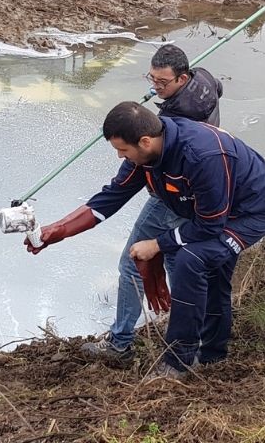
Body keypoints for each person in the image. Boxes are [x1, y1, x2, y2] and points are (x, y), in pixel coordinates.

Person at [27, 101, 265, 376]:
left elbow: (210, 225)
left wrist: (159, 245)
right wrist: (57, 231)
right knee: (206, 270)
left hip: (248, 213)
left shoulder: (201, 155)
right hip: (195, 207)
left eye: (122, 150)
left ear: (144, 142)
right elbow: (112, 197)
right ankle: (212, 355)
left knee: (192, 261)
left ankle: (179, 361)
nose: (119, 157)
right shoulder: (146, 156)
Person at [52, 44, 225, 365]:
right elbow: (215, 87)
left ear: (182, 78)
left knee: (132, 264)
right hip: (192, 190)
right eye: (152, 80)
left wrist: (141, 120)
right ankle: (184, 329)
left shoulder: (175, 121)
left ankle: (120, 344)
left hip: (171, 197)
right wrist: (163, 95)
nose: (155, 87)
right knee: (177, 262)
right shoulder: (205, 80)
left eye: (162, 82)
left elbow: (128, 178)